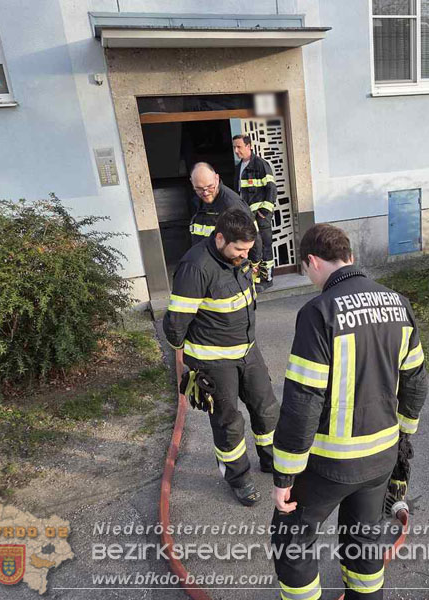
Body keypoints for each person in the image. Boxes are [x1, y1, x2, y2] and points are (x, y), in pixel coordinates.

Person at [270, 224, 428, 600]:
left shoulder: (318, 311)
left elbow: (302, 400)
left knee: (292, 539)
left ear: (311, 261)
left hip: (330, 463)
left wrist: (285, 474)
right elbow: (417, 381)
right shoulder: (397, 302)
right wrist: (404, 440)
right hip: (381, 459)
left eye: (306, 270)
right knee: (364, 536)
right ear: (350, 257)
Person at [163, 208, 279, 506]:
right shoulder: (195, 267)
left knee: (266, 409)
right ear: (219, 238)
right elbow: (176, 324)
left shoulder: (238, 258)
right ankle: (239, 479)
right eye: (239, 249)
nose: (244, 255)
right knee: (228, 422)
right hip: (214, 360)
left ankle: (271, 459)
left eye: (248, 250)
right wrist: (191, 361)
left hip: (248, 351)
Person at [188, 162, 262, 266]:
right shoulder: (197, 201)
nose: (205, 192)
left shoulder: (232, 204)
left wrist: (254, 264)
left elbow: (252, 236)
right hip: (206, 263)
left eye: (210, 187)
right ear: (192, 182)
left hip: (229, 266)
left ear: (217, 179)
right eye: (199, 189)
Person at [232, 134, 277, 291]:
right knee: (253, 248)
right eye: (234, 147)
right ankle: (256, 278)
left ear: (249, 146)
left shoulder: (261, 165)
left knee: (265, 246)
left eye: (239, 147)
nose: (236, 150)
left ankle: (267, 279)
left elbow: (271, 189)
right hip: (247, 216)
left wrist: (264, 212)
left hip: (260, 216)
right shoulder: (238, 168)